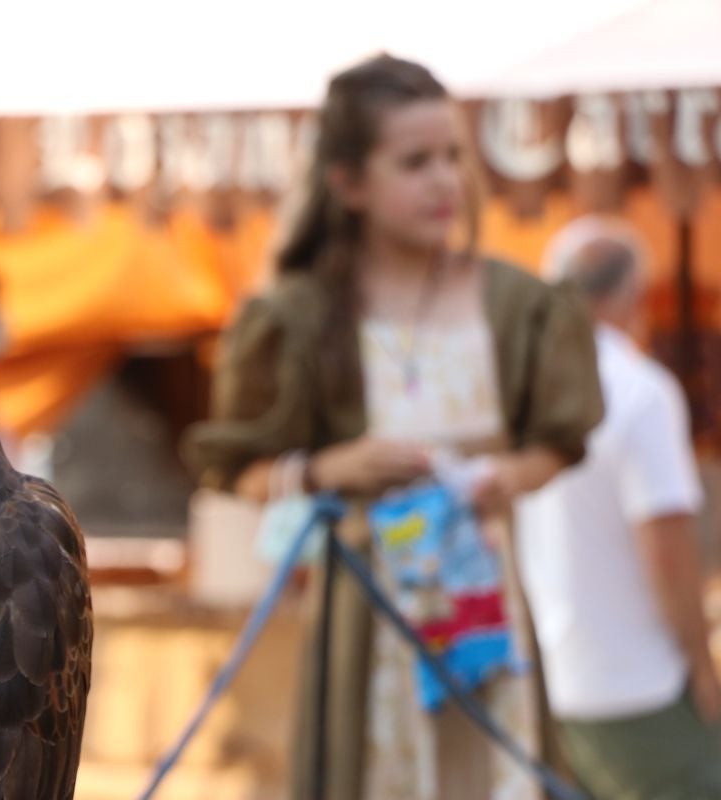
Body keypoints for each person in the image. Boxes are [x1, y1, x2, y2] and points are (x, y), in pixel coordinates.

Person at [184, 54, 604, 800]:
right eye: (415, 162)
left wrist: (508, 477)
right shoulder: (301, 317)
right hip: (369, 623)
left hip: (486, 605)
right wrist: (325, 470)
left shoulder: (514, 302)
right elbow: (236, 467)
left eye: (452, 156)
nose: (445, 180)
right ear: (348, 183)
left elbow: (560, 441)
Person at [516, 217, 721, 799]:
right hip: (645, 684)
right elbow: (667, 552)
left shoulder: (532, 390)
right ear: (632, 295)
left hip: (565, 683)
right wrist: (702, 665)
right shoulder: (640, 391)